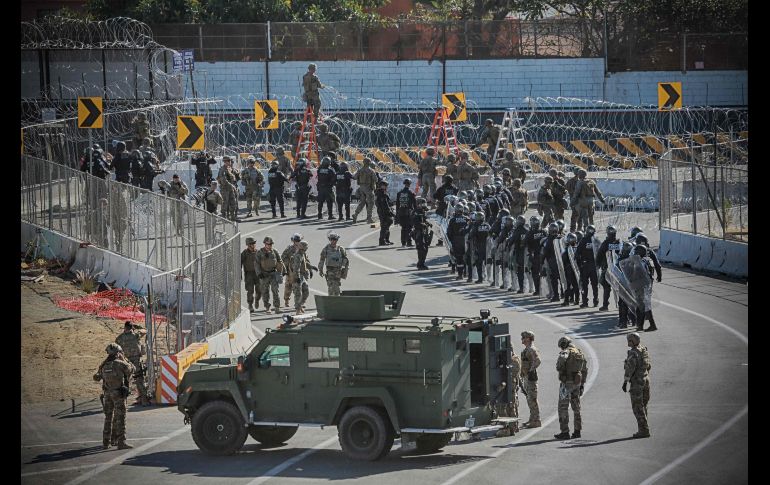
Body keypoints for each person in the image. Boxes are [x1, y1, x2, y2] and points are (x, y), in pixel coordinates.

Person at [94, 343, 135, 450]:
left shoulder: (104, 365)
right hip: (118, 394)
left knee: (108, 418)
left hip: (107, 394)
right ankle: (121, 442)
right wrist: (124, 359)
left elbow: (97, 377)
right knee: (120, 418)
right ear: (118, 353)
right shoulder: (120, 364)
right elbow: (132, 369)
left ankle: (106, 442)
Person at [554, 336, 587, 439]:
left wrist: (561, 370)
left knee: (563, 407)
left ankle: (565, 432)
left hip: (566, 383)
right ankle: (577, 431)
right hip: (577, 383)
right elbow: (585, 369)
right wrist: (582, 384)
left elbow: (559, 365)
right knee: (576, 407)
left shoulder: (566, 352)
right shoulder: (579, 352)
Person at [623, 332, 652, 438]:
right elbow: (648, 365)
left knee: (637, 407)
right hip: (646, 380)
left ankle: (644, 430)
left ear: (633, 341)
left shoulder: (633, 353)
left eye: (629, 341)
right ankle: (644, 427)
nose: (628, 343)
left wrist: (625, 381)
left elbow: (629, 369)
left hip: (637, 383)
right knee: (644, 405)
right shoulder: (644, 350)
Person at [114, 321, 149, 406]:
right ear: (131, 327)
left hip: (125, 362)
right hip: (136, 361)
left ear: (125, 327)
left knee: (125, 381)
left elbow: (116, 349)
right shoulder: (136, 335)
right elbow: (145, 330)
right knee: (139, 380)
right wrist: (137, 326)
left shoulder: (119, 338)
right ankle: (144, 400)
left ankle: (123, 401)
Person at [256, 236, 284, 313]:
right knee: (265, 291)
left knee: (275, 291)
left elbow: (280, 261)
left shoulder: (275, 252)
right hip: (264, 274)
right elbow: (257, 264)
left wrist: (281, 272)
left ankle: (277, 307)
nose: (269, 246)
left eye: (270, 244)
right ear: (265, 244)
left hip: (273, 274)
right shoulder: (260, 252)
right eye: (267, 244)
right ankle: (267, 308)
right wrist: (259, 273)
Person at [596, 225, 621, 311]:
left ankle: (605, 305)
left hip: (607, 269)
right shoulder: (619, 243)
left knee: (606, 286)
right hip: (618, 269)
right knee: (619, 287)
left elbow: (599, 254)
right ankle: (620, 304)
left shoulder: (605, 243)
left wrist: (598, 265)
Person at [520, 331, 541, 428]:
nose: (522, 339)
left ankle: (536, 420)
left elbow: (537, 361)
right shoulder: (527, 349)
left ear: (528, 338)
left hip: (531, 378)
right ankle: (532, 419)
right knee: (529, 399)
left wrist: (531, 371)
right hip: (527, 377)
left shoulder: (531, 349)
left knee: (532, 399)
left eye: (524, 337)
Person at [318, 232, 349, 296]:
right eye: (332, 239)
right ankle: (331, 301)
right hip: (330, 271)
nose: (333, 241)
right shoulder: (326, 249)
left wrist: (344, 269)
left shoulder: (340, 249)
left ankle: (336, 300)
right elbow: (322, 260)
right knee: (331, 286)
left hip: (338, 271)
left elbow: (345, 259)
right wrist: (320, 269)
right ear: (329, 239)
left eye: (335, 239)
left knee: (337, 286)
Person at [577, 225, 600, 307]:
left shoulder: (583, 240)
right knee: (595, 285)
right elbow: (600, 253)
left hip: (585, 265)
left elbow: (577, 254)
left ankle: (585, 302)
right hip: (594, 266)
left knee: (584, 285)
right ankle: (596, 300)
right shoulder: (597, 240)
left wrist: (580, 264)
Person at [447, 205, 470, 280]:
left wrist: (451, 240)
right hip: (466, 240)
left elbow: (449, 232)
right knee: (467, 257)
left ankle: (460, 275)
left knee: (459, 258)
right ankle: (466, 273)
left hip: (456, 240)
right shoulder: (467, 219)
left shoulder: (453, 220)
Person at [352, 157, 378, 224]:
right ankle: (369, 218)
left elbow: (354, 177)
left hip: (361, 188)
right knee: (371, 203)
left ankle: (355, 215)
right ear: (369, 163)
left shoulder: (360, 170)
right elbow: (376, 179)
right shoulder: (371, 171)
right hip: (368, 188)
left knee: (362, 203)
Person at [525, 216, 546, 295]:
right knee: (544, 272)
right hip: (544, 255)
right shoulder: (543, 231)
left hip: (535, 256)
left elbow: (525, 243)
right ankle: (544, 289)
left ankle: (538, 290)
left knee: (535, 273)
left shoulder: (530, 233)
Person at [281, 234, 303, 308]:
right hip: (290, 270)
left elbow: (305, 258)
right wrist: (285, 267)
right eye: (296, 241)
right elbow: (282, 258)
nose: (297, 242)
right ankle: (286, 300)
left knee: (299, 286)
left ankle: (299, 302)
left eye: (299, 241)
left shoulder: (302, 248)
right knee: (288, 286)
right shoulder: (289, 249)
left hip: (299, 270)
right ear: (293, 241)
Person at [290, 241, 312, 314]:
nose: (305, 250)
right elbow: (296, 268)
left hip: (302, 276)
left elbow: (305, 263)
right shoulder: (297, 256)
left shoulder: (302, 254)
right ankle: (298, 310)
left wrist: (311, 267)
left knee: (306, 291)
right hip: (297, 276)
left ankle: (300, 305)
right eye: (304, 248)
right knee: (298, 293)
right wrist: (298, 277)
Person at [411, 197, 433, 270]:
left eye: (424, 203)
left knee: (426, 248)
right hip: (418, 232)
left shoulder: (424, 211)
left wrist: (429, 223)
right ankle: (420, 264)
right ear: (418, 204)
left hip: (424, 232)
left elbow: (427, 219)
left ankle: (422, 263)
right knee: (421, 248)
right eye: (422, 203)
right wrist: (422, 224)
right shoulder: (415, 212)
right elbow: (415, 222)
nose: (424, 205)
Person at [217, 156, 240, 222]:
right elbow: (224, 180)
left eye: (230, 161)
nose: (230, 162)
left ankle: (233, 217)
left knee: (233, 203)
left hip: (231, 189)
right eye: (228, 161)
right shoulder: (222, 170)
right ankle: (224, 218)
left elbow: (235, 178)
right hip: (225, 189)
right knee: (224, 204)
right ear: (225, 162)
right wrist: (232, 186)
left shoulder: (229, 169)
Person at [395, 179, 417, 247]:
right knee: (409, 228)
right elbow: (414, 204)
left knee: (403, 228)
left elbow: (397, 205)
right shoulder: (411, 193)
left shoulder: (399, 193)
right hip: (408, 213)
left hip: (401, 212)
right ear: (409, 184)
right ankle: (409, 242)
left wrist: (397, 214)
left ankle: (403, 242)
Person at [242, 237, 261, 312]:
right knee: (250, 291)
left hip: (258, 273)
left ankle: (257, 299)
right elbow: (239, 263)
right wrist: (239, 274)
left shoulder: (258, 252)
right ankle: (250, 305)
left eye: (254, 243)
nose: (253, 245)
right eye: (251, 244)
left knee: (259, 290)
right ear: (248, 245)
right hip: (249, 274)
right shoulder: (244, 253)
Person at [561, 232, 580, 306]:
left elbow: (563, 260)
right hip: (577, 270)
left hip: (569, 270)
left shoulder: (567, 250)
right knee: (576, 285)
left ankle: (566, 301)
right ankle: (577, 300)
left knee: (567, 285)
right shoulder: (577, 249)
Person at [375, 180, 395, 246]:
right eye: (385, 185)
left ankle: (386, 240)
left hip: (383, 212)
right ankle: (382, 241)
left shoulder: (382, 193)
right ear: (381, 186)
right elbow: (385, 205)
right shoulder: (381, 194)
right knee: (384, 227)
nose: (386, 187)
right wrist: (390, 213)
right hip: (383, 212)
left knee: (387, 227)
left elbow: (388, 203)